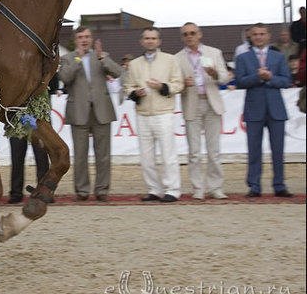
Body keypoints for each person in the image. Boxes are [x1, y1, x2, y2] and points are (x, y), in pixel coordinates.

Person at [59, 27, 122, 202]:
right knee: (80, 155)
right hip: (78, 112)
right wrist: (78, 58)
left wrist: (102, 58)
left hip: (101, 111)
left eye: (87, 36)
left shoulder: (101, 56)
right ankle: (82, 190)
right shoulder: (67, 58)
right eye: (80, 37)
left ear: (92, 38)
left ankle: (102, 190)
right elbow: (65, 78)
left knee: (103, 154)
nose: (84, 40)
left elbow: (118, 72)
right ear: (75, 40)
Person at [122, 27, 184, 202]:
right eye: (147, 38)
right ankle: (154, 189)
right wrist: (135, 93)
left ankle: (173, 189)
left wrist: (162, 86)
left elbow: (178, 84)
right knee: (146, 156)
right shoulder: (134, 64)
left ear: (159, 41)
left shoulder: (170, 60)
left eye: (153, 38)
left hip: (163, 112)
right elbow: (128, 87)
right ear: (142, 41)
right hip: (143, 113)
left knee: (168, 153)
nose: (150, 41)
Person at [234, 23, 293, 198]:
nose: (259, 37)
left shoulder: (278, 57)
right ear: (250, 37)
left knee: (278, 149)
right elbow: (240, 81)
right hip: (254, 109)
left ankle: (279, 184)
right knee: (254, 150)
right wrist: (257, 77)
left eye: (262, 34)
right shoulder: (243, 58)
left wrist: (270, 78)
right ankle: (254, 185)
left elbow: (285, 80)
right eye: (255, 34)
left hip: (276, 109)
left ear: (268, 36)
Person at [174, 22, 231, 200]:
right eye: (185, 34)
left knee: (214, 150)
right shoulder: (177, 58)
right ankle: (198, 188)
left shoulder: (214, 53)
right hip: (192, 103)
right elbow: (175, 85)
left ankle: (215, 187)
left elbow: (225, 77)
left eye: (192, 33)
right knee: (194, 151)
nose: (189, 36)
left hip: (211, 102)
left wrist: (215, 74)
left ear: (199, 34)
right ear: (182, 37)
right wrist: (183, 84)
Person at [6, 75, 59, 204]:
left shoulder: (44, 65)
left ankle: (44, 191)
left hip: (38, 116)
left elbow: (54, 85)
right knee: (17, 157)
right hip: (16, 115)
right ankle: (16, 192)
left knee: (42, 157)